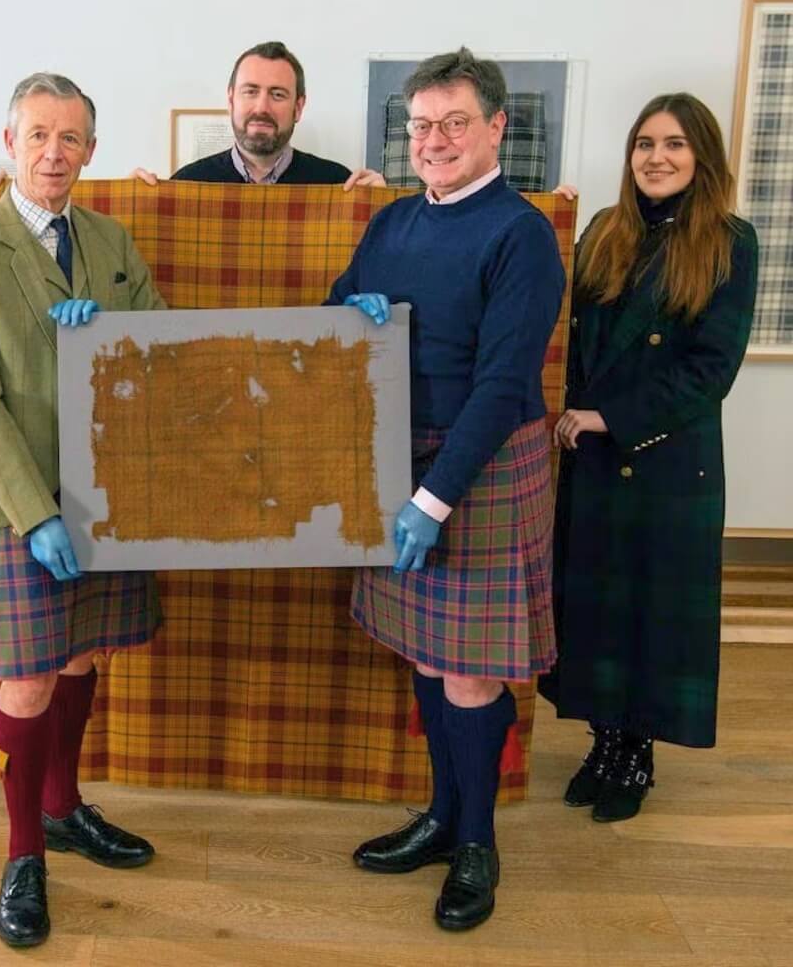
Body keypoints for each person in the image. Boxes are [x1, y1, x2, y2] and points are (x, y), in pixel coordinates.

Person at [325, 48, 564, 931]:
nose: (433, 139)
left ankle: (478, 843)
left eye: (453, 123)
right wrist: (351, 315)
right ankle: (440, 817)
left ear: (496, 127)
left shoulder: (521, 232)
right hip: (395, 453)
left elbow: (506, 385)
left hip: (485, 461)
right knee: (428, 655)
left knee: (469, 673)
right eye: (420, 125)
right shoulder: (391, 223)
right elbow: (335, 308)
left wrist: (432, 501)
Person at [0, 72, 165, 949]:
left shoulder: (108, 237)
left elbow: (161, 342)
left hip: (107, 492)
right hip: (12, 502)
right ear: (9, 141)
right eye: (38, 135)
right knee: (27, 675)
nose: (53, 153)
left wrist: (105, 330)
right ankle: (24, 851)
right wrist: (35, 515)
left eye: (70, 138)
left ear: (91, 151)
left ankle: (64, 807)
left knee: (83, 654)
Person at [538, 93, 758, 823]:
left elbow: (711, 369)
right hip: (591, 455)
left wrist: (612, 417)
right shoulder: (605, 229)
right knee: (596, 615)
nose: (656, 158)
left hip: (665, 461)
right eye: (644, 144)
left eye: (673, 144)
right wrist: (551, 220)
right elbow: (562, 324)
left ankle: (637, 754)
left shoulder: (731, 241)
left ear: (702, 157)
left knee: (648, 618)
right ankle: (603, 743)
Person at [131, 41, 385, 189]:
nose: (262, 108)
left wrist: (381, 213)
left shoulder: (337, 184)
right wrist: (133, 207)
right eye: (250, 92)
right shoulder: (188, 184)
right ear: (231, 100)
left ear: (298, 107)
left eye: (277, 95)